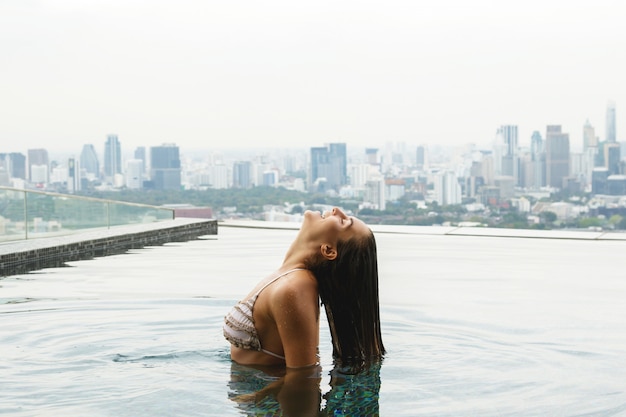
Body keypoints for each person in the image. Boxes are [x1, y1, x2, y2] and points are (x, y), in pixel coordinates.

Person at [223, 207, 385, 370]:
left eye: (343, 222)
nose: (337, 210)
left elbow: (304, 377)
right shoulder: (292, 279)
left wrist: (255, 395)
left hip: (265, 394)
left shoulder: (294, 287)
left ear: (328, 250)